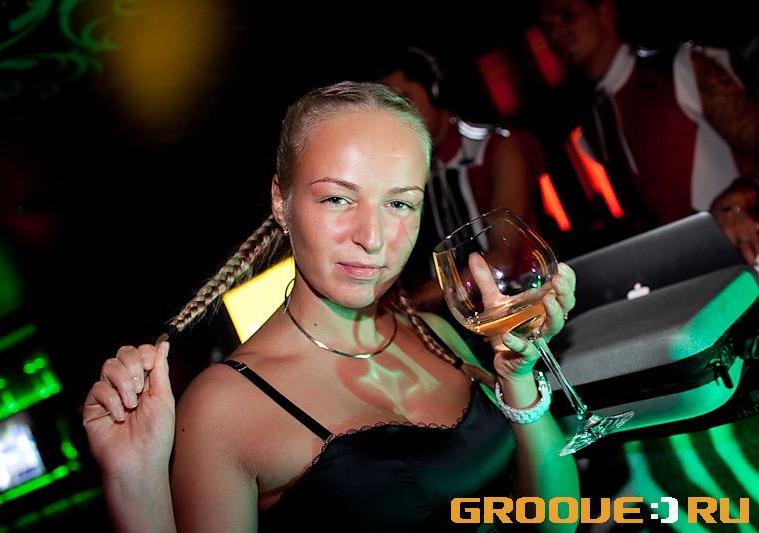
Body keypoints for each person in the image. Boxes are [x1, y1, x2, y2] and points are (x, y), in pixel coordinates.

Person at [82, 81, 580, 532]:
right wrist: (134, 485)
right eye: (338, 199)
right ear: (281, 201)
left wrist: (517, 379)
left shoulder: (438, 335)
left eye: (399, 203)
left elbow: (554, 523)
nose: (373, 238)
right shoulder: (224, 408)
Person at [536, 0, 759, 265]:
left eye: (567, 15)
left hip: (749, 251)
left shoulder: (677, 68)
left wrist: (739, 198)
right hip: (696, 267)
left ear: (605, 12)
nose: (557, 33)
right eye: (548, 28)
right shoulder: (593, 121)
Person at [376, 46, 548, 314]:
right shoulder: (402, 171)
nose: (398, 118)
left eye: (405, 100)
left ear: (436, 92)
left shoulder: (498, 147)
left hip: (521, 304)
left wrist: (423, 298)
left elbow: (504, 256)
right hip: (454, 317)